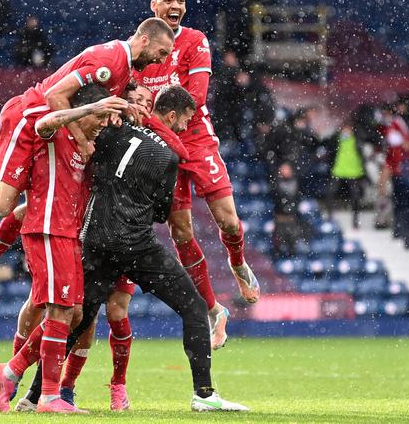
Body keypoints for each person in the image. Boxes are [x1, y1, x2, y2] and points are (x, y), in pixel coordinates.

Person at [15, 85, 249, 413]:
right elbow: (159, 212)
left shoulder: (113, 131)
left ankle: (34, 394)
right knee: (194, 308)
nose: (185, 127)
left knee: (77, 319)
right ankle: (204, 394)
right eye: (184, 120)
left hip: (96, 241)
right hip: (135, 244)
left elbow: (89, 168)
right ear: (170, 116)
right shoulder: (169, 155)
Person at [0, 17, 175, 272]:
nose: (160, 61)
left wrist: (124, 110)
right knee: (2, 203)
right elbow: (54, 97)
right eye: (161, 53)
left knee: (39, 206)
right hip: (27, 120)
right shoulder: (109, 60)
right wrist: (82, 140)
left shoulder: (123, 68)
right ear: (144, 39)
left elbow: (90, 102)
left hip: (51, 130)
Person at [0, 85, 128, 414]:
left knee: (77, 314)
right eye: (99, 116)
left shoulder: (88, 146)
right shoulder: (56, 130)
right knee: (60, 311)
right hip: (48, 228)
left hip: (68, 233)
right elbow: (43, 124)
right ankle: (49, 396)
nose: (102, 123)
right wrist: (85, 111)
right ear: (83, 109)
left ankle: (9, 372)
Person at [136, 0, 260, 350]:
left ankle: (238, 263)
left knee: (228, 221)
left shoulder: (194, 40)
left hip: (195, 140)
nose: (176, 5)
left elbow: (196, 99)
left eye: (181, 0)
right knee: (181, 233)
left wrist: (151, 108)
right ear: (153, 5)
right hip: (162, 148)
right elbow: (133, 100)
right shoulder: (140, 46)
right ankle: (213, 309)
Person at [323, 122, 366, 229]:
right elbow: (329, 147)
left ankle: (355, 221)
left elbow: (362, 153)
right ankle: (329, 217)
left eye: (348, 129)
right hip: (338, 170)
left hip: (354, 171)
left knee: (355, 197)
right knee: (330, 193)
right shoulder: (336, 140)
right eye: (344, 129)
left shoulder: (357, 140)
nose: (346, 131)